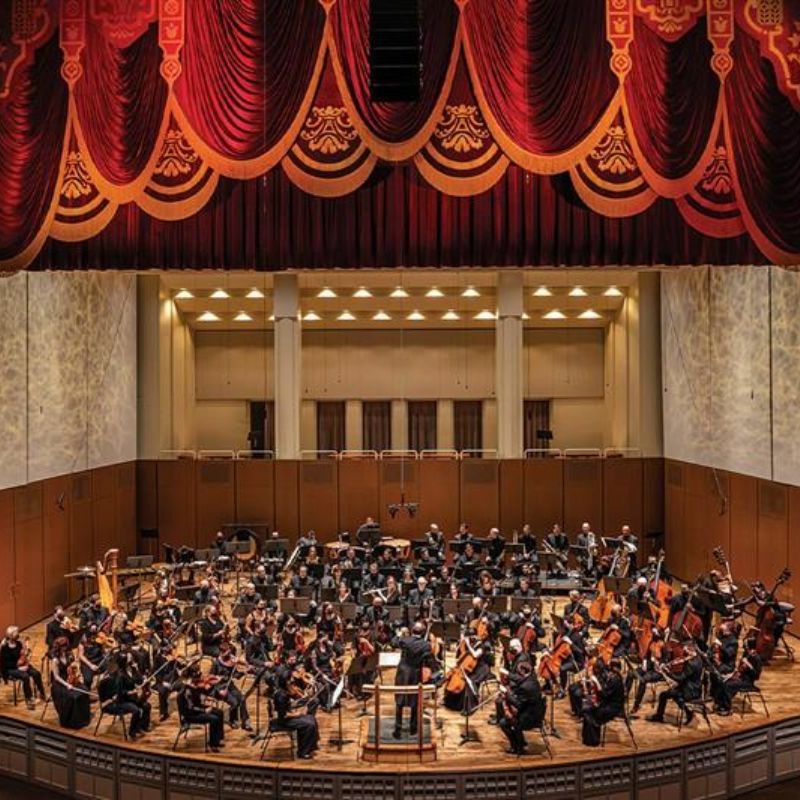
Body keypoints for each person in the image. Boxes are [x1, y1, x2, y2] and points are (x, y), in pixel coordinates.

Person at [497, 651, 545, 755]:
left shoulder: (525, 687)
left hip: (530, 719)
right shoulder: (533, 680)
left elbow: (518, 704)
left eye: (519, 673)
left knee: (503, 723)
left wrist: (506, 694)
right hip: (537, 713)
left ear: (523, 672)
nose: (518, 675)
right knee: (506, 717)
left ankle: (517, 746)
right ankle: (521, 742)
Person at [647, 643, 704, 725]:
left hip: (689, 691)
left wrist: (668, 672)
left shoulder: (691, 664)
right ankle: (688, 712)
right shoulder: (698, 659)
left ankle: (660, 716)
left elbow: (680, 678)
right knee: (672, 693)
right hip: (695, 687)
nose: (684, 654)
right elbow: (686, 676)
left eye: (686, 652)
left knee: (664, 695)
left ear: (691, 650)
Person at [392, 622, 432, 738]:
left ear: (412, 630)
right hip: (415, 673)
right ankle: (413, 729)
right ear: (423, 632)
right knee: (415, 700)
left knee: (399, 701)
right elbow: (427, 659)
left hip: (402, 673)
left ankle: (398, 730)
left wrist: (399, 634)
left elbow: (393, 643)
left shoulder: (405, 640)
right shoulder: (426, 645)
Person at [178, 664, 225, 752]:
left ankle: (219, 739)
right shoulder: (187, 690)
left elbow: (199, 695)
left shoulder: (194, 685)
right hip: (191, 714)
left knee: (219, 712)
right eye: (198, 677)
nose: (200, 679)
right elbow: (190, 707)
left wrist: (207, 697)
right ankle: (213, 744)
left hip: (197, 708)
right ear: (192, 677)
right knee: (214, 719)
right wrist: (204, 710)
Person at [272, 672, 320, 759]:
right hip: (283, 721)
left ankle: (311, 746)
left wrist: (296, 711)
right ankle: (303, 752)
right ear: (286, 681)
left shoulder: (285, 692)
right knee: (309, 724)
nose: (292, 680)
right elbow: (284, 715)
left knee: (311, 718)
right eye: (290, 679)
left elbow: (287, 708)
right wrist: (297, 714)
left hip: (287, 718)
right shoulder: (281, 696)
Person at [581, 658, 626, 746]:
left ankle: (593, 741)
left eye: (609, 668)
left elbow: (604, 695)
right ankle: (587, 738)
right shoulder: (615, 677)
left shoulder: (615, 680)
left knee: (590, 712)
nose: (608, 671)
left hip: (613, 708)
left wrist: (596, 683)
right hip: (609, 704)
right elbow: (606, 693)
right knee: (587, 709)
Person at [49, 637, 91, 729]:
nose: (65, 648)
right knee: (74, 697)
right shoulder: (55, 660)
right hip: (60, 684)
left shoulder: (68, 655)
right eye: (63, 646)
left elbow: (73, 667)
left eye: (66, 646)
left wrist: (78, 675)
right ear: (59, 647)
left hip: (70, 679)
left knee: (84, 690)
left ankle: (83, 719)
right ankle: (72, 721)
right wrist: (67, 684)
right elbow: (56, 677)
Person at [0, 627, 45, 709]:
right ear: (11, 635)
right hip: (10, 669)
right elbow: (5, 664)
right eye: (16, 633)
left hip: (22, 665)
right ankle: (29, 699)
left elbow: (22, 656)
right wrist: (18, 668)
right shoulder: (5, 647)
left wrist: (26, 657)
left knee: (36, 673)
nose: (18, 634)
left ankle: (42, 693)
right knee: (25, 676)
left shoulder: (19, 644)